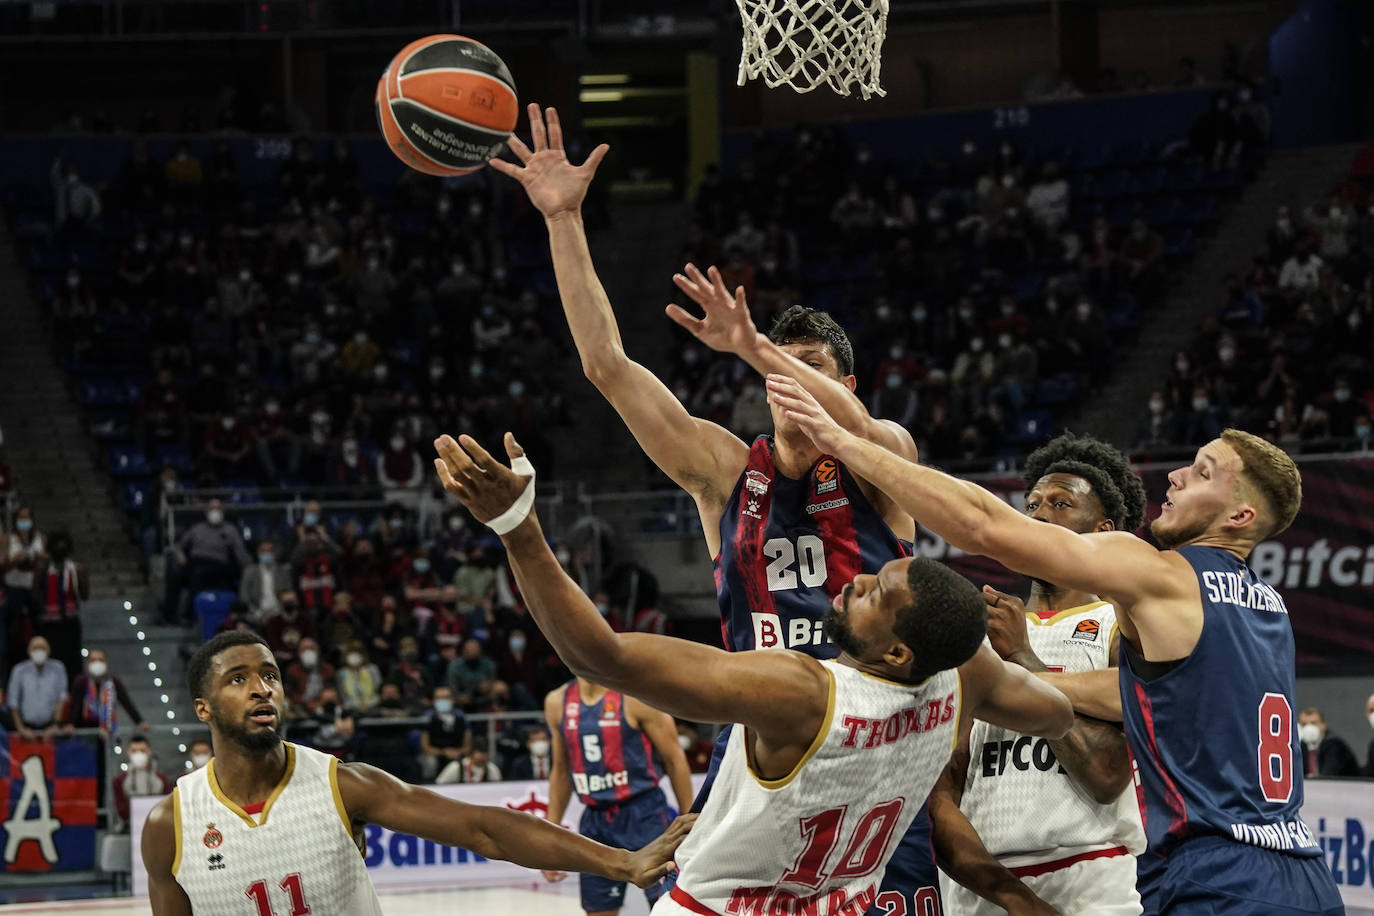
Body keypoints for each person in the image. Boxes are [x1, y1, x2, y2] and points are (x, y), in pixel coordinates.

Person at [491, 104, 945, 911]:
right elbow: (607, 366)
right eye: (779, 364)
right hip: (764, 733)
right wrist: (563, 220)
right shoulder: (727, 471)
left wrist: (759, 350)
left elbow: (867, 431)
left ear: (843, 385)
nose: (784, 377)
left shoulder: (883, 461)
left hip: (877, 735)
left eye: (810, 366)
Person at [764, 377, 1344, 916]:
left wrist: (841, 440)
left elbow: (982, 524)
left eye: (1200, 472)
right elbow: (1150, 694)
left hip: (1212, 874)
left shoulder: (1162, 575)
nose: (1175, 477)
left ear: (1240, 514)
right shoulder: (1270, 610)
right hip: (1302, 871)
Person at [433, 432, 1073, 916]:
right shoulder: (961, 678)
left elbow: (599, 658)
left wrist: (518, 529)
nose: (854, 583)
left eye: (875, 592)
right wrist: (1020, 657)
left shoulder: (800, 690)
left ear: (899, 652)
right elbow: (1056, 713)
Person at [141, 631, 690, 915]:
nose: (261, 688)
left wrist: (621, 861)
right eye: (237, 679)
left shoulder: (341, 784)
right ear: (203, 708)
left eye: (270, 675)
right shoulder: (172, 824)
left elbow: (486, 828)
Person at [929, 434, 1147, 915]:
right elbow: (941, 793)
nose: (1037, 515)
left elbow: (1108, 776)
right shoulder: (974, 635)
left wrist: (1024, 661)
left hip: (1089, 876)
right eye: (1031, 504)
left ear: (1103, 529)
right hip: (981, 885)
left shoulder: (1121, 625)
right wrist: (1006, 894)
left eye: (1061, 503)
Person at [539, 676, 696, 916]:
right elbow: (561, 770)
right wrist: (550, 834)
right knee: (599, 910)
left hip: (645, 814)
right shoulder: (556, 701)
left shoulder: (637, 694)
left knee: (668, 907)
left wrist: (690, 820)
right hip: (595, 822)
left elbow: (674, 758)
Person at [68, 648, 150, 735]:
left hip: (108, 729)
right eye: (93, 660)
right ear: (88, 663)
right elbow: (75, 705)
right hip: (86, 730)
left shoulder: (113, 682)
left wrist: (139, 721)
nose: (97, 663)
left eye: (101, 660)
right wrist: (71, 724)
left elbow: (126, 702)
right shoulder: (81, 681)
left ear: (106, 663)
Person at [6, 636, 68, 740]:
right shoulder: (19, 670)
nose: (39, 651)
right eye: (35, 648)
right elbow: (13, 701)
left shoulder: (58, 668)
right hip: (26, 728)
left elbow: (62, 698)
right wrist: (20, 728)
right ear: (29, 651)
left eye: (42, 648)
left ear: (48, 651)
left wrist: (55, 725)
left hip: (50, 727)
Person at [113, 734, 173, 829]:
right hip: (129, 827)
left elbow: (166, 805)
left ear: (149, 752)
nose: (138, 754)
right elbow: (121, 810)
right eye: (134, 751)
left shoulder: (161, 778)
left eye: (142, 751)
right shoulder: (119, 779)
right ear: (128, 753)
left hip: (157, 825)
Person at [1297, 707, 1359, 777]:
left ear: (1323, 725)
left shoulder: (1334, 744)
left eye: (1313, 723)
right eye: (1304, 724)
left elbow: (1328, 776)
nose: (1308, 728)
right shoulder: (1301, 746)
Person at [239, 539, 291, 622]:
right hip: (256, 615)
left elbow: (289, 596)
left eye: (269, 551)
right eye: (263, 551)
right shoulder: (249, 572)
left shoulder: (283, 572)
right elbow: (244, 598)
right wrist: (259, 615)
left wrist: (279, 614)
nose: (266, 553)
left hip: (279, 614)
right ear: (258, 553)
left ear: (274, 553)